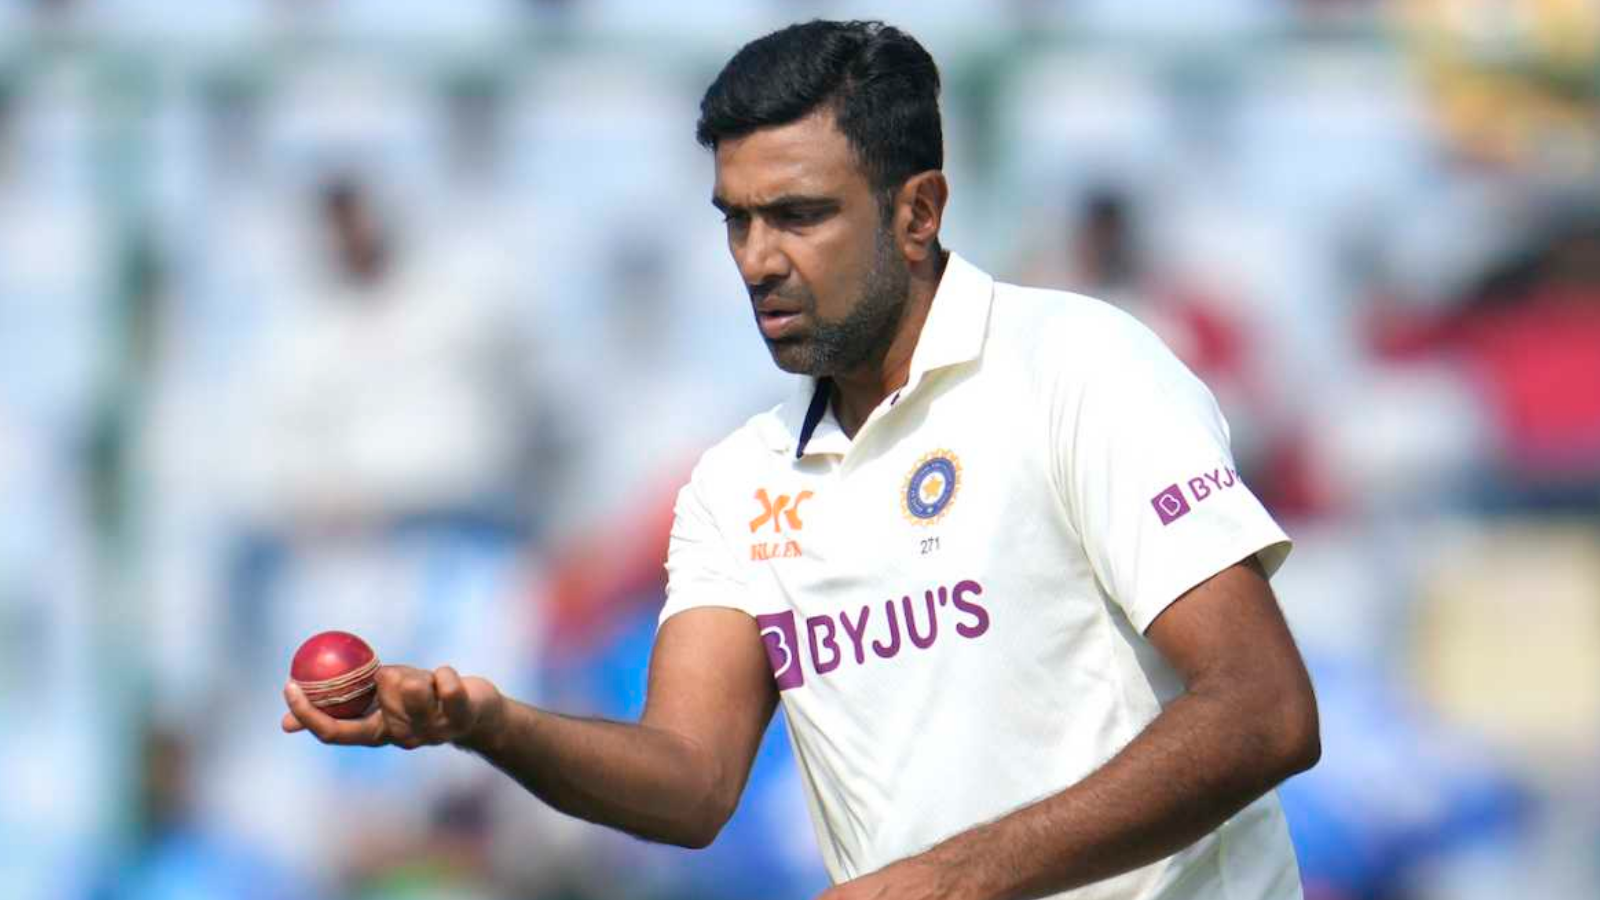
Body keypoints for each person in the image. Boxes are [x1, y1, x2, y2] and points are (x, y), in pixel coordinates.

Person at [283, 20, 1320, 900]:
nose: (756, 259)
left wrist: (938, 882)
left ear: (918, 212)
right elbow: (688, 781)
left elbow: (1262, 711)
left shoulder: (1076, 366)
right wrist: (488, 721)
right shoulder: (742, 479)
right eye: (736, 220)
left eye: (799, 215)